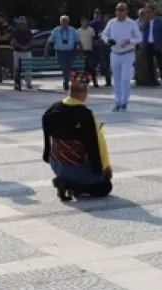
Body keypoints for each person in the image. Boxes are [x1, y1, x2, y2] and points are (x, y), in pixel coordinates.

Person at [42, 71, 113, 200]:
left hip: (56, 164)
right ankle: (71, 185)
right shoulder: (84, 114)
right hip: (76, 166)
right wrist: (104, 168)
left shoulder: (52, 109)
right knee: (105, 187)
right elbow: (96, 144)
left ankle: (69, 182)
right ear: (84, 93)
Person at [101, 3, 141, 112]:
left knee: (125, 78)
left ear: (126, 11)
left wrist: (130, 41)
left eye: (122, 10)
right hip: (115, 53)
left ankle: (124, 102)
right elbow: (104, 34)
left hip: (127, 53)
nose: (120, 12)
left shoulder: (131, 23)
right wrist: (108, 40)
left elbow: (139, 37)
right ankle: (117, 102)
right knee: (117, 79)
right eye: (118, 10)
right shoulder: (112, 22)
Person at [46, 15, 81, 90]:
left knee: (68, 66)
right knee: (65, 66)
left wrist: (80, 52)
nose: (64, 22)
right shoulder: (56, 30)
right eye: (63, 21)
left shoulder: (73, 30)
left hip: (70, 52)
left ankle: (66, 82)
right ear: (60, 22)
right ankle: (66, 82)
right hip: (60, 52)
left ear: (68, 22)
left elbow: (78, 41)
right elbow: (49, 42)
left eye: (66, 21)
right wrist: (46, 52)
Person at [10, 18, 34, 90]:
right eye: (21, 23)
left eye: (23, 23)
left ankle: (28, 83)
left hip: (27, 52)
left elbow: (31, 41)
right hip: (17, 52)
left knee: (28, 68)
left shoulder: (28, 31)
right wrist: (21, 47)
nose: (22, 24)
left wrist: (26, 47)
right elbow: (13, 41)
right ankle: (17, 84)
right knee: (16, 68)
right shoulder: (15, 31)